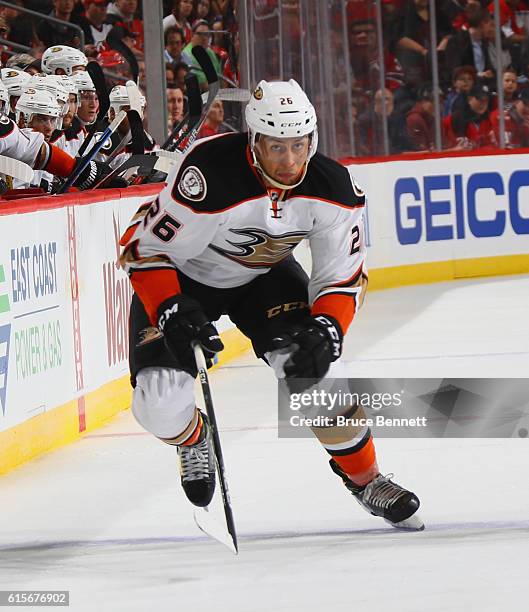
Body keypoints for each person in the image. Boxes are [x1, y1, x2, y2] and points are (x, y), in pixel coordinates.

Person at [119, 79, 423, 530]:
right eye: (276, 147)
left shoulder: (335, 189)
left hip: (265, 281)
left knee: (317, 375)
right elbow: (142, 247)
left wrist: (330, 328)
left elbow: (342, 278)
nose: (289, 160)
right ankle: (193, 437)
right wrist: (168, 306)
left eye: (298, 145)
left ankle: (367, 480)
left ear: (312, 140)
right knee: (159, 401)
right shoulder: (209, 173)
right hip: (184, 280)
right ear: (254, 140)